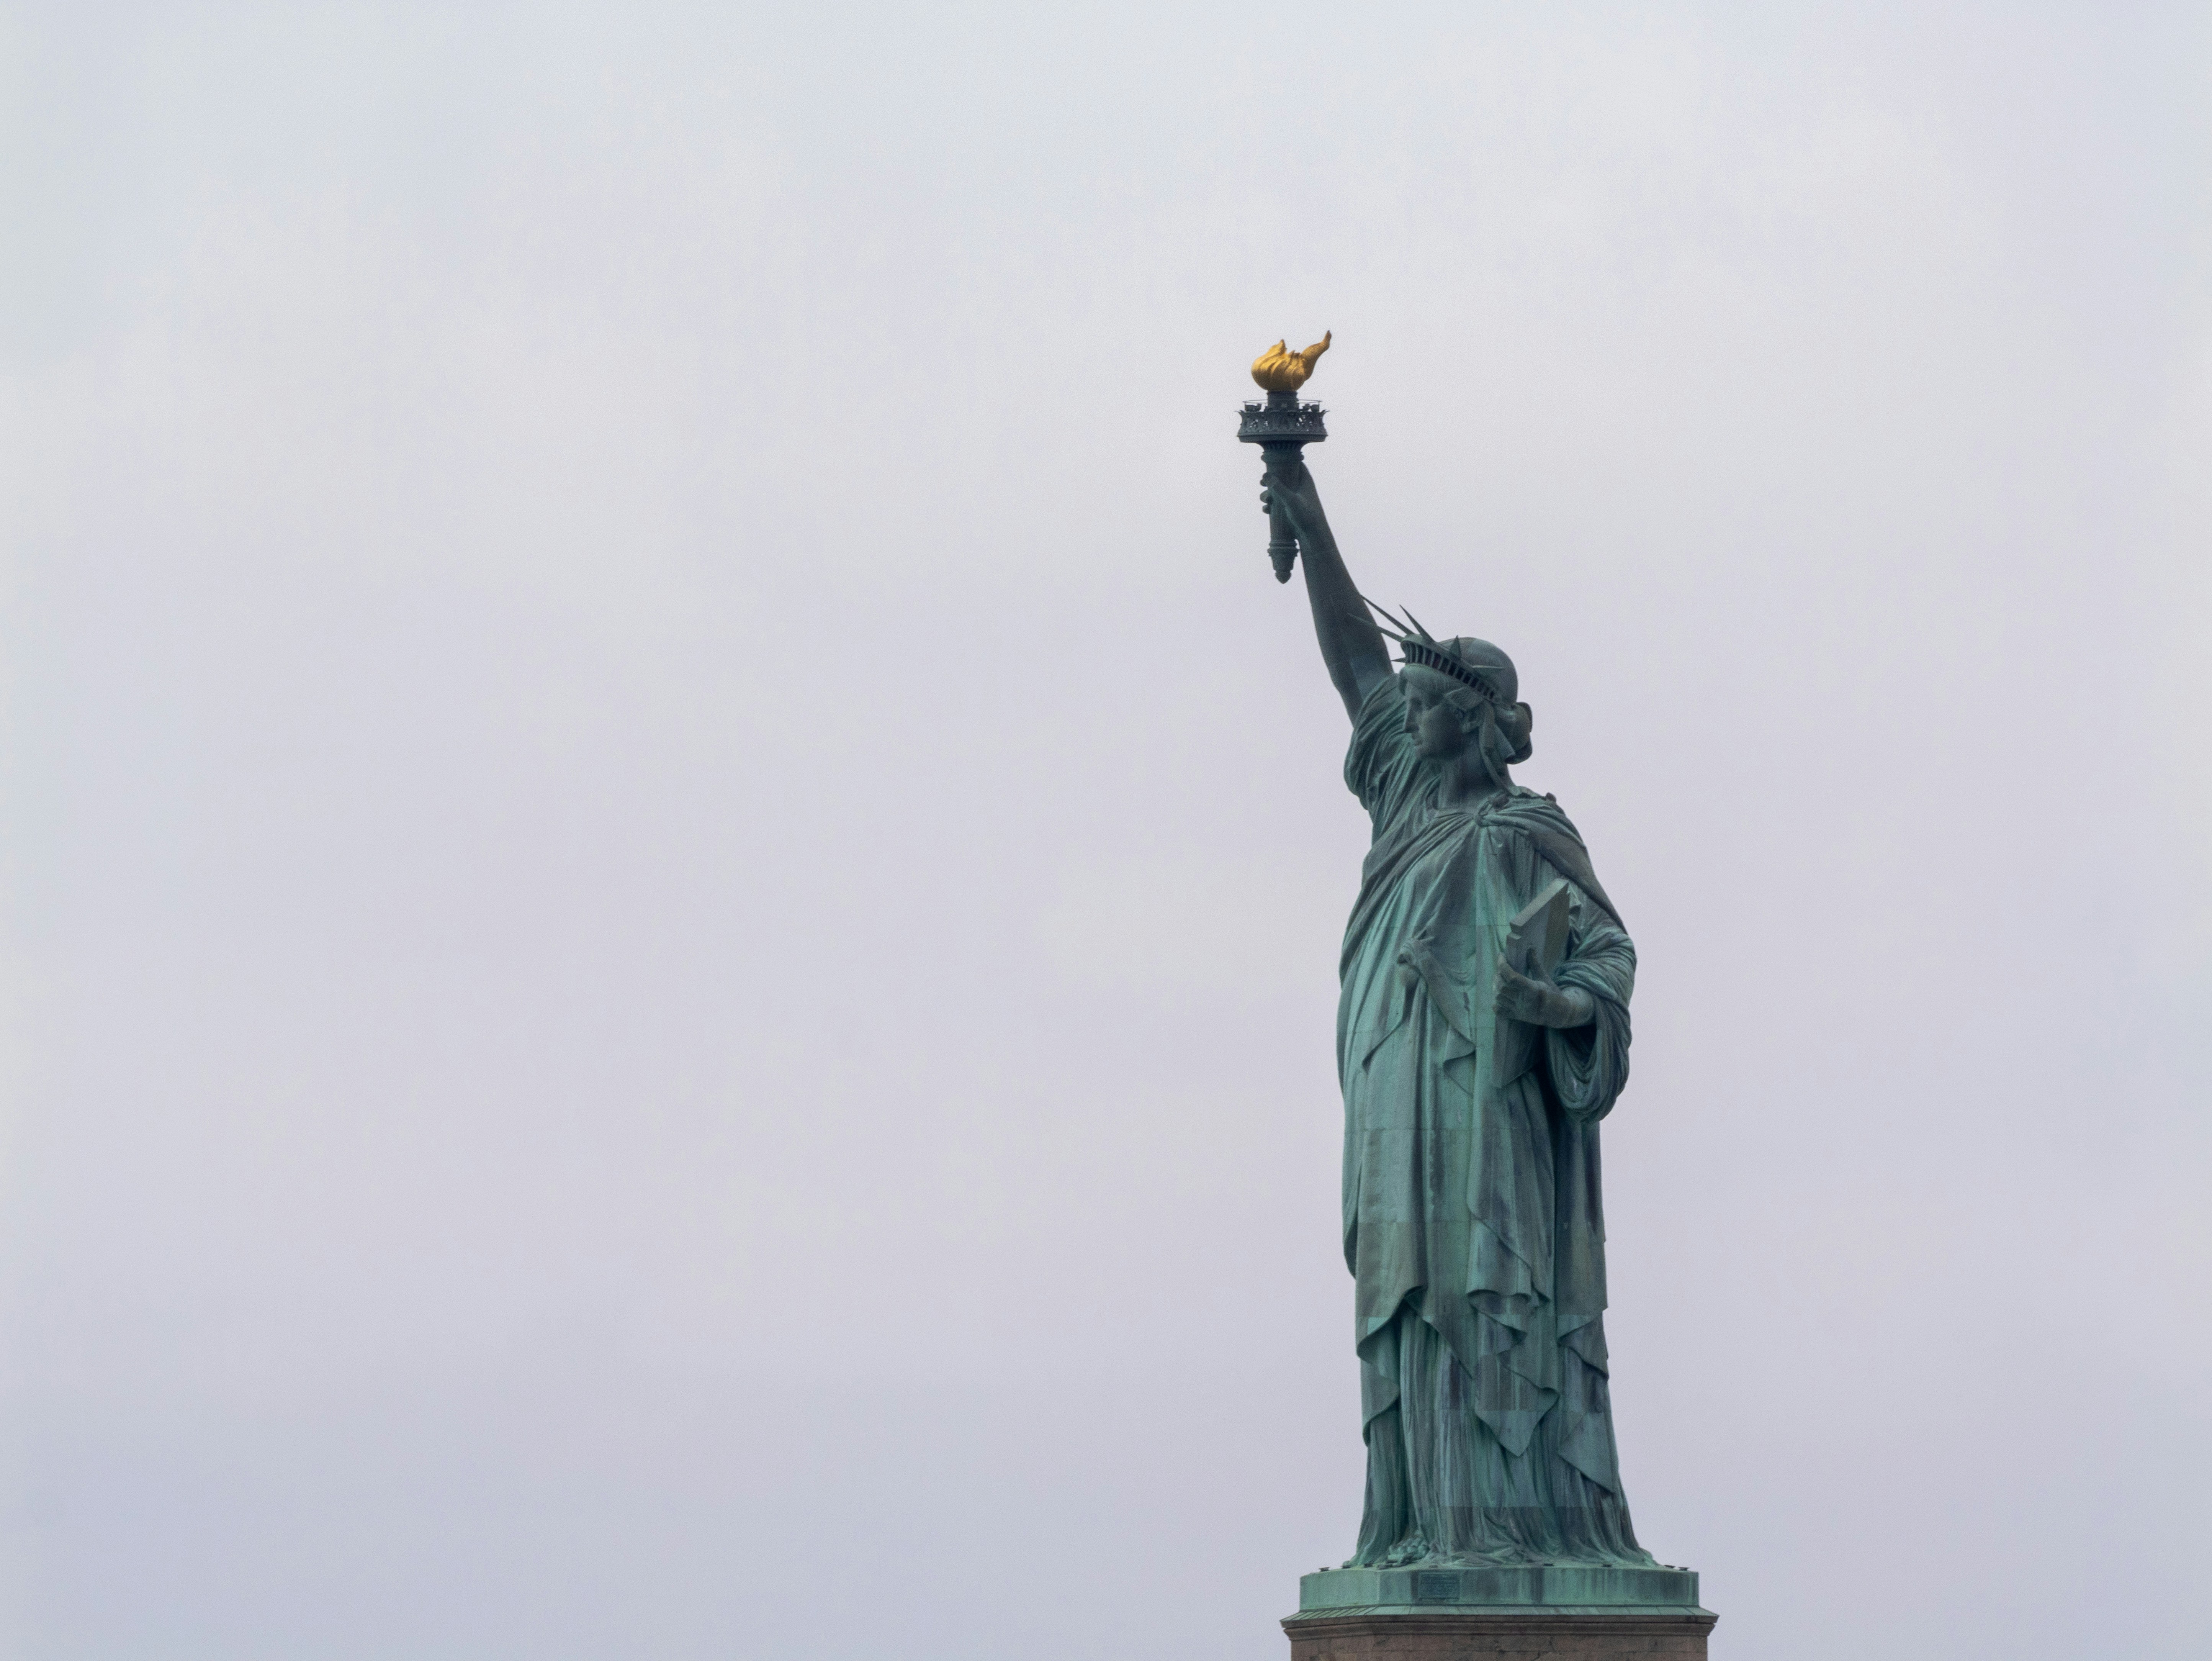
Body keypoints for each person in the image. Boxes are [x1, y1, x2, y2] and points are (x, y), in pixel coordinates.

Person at [1261, 456, 1654, 1569]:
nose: (1411, 712)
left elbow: (1611, 950)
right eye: (1414, 702)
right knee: (1404, 1297)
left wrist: (1559, 1000)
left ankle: (1508, 1524)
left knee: (1487, 1290)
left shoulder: (1533, 832)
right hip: (1394, 1087)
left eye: (1433, 704)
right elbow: (1352, 659)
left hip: (1490, 1096)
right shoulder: (1402, 795)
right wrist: (1300, 489)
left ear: (1480, 722)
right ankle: (1421, 1523)